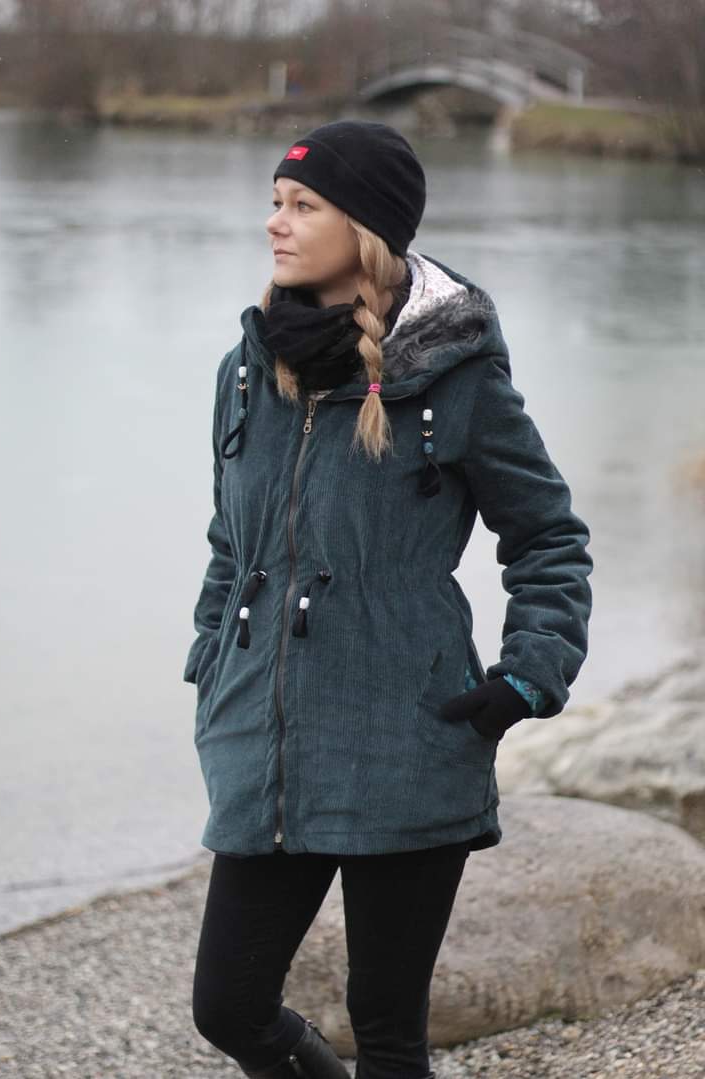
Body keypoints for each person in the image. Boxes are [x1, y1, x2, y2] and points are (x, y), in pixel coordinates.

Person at [184, 120, 594, 1079]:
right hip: (267, 744)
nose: (275, 223)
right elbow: (230, 541)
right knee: (229, 1006)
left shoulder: (457, 377)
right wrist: (212, 659)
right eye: (276, 202)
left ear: (365, 227)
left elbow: (548, 536)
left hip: (411, 737)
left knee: (390, 1031)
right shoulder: (246, 369)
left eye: (303, 205)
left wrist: (528, 675)